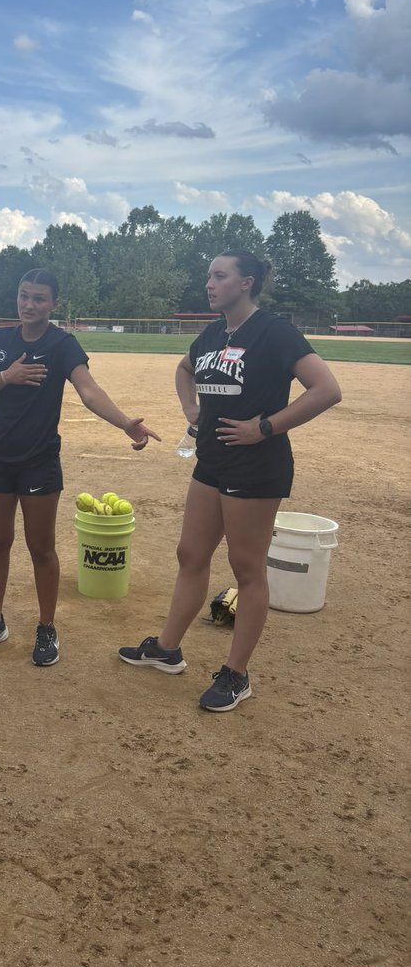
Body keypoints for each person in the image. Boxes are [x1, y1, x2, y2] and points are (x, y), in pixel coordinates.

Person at [118, 250, 342, 711]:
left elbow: (327, 390)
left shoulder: (274, 331)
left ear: (247, 283)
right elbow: (185, 369)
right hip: (212, 461)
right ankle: (167, 648)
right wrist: (190, 408)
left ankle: (236, 674)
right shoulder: (214, 332)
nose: (210, 284)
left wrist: (265, 427)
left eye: (220, 276)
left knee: (246, 567)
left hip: (257, 467)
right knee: (191, 554)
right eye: (209, 276)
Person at [0, 268, 160, 666]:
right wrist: (7, 376)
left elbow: (89, 391)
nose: (29, 305)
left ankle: (47, 626)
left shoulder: (62, 344)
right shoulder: (0, 341)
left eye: (39, 298)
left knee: (42, 549)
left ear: (54, 304)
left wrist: (126, 423)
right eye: (23, 295)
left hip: (39, 462)